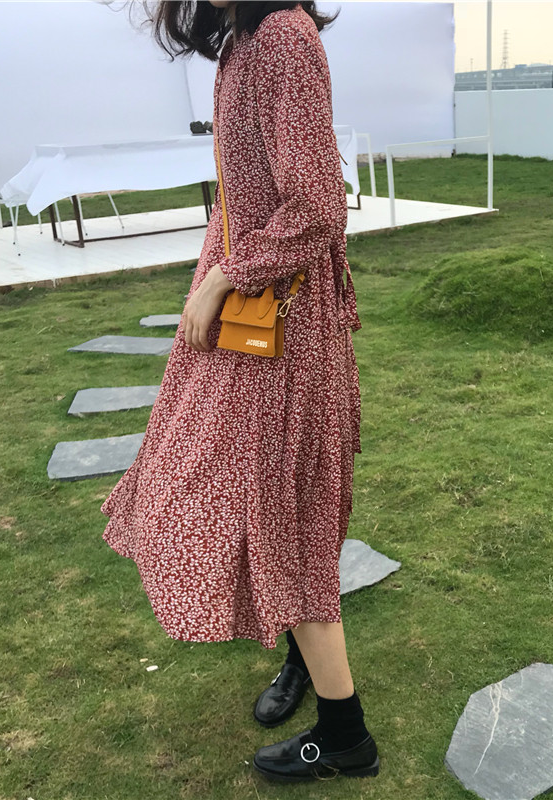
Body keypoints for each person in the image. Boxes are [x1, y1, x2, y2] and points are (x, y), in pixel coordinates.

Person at [100, 0, 378, 784]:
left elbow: (316, 206)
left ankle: (345, 735)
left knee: (276, 506)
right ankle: (301, 656)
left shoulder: (282, 38)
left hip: (279, 325)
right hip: (254, 314)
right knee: (246, 493)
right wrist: (213, 275)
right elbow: (249, 194)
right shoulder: (243, 41)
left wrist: (226, 276)